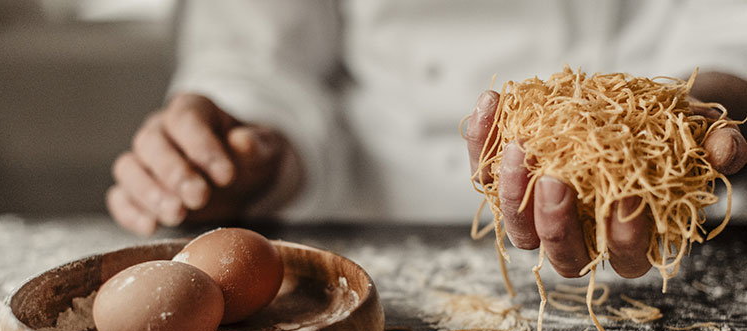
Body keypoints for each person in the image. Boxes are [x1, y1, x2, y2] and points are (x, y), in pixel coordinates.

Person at [107, 0, 747, 279]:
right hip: (380, 230)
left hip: (669, 231)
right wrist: (246, 154)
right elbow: (259, 53)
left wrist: (690, 115)